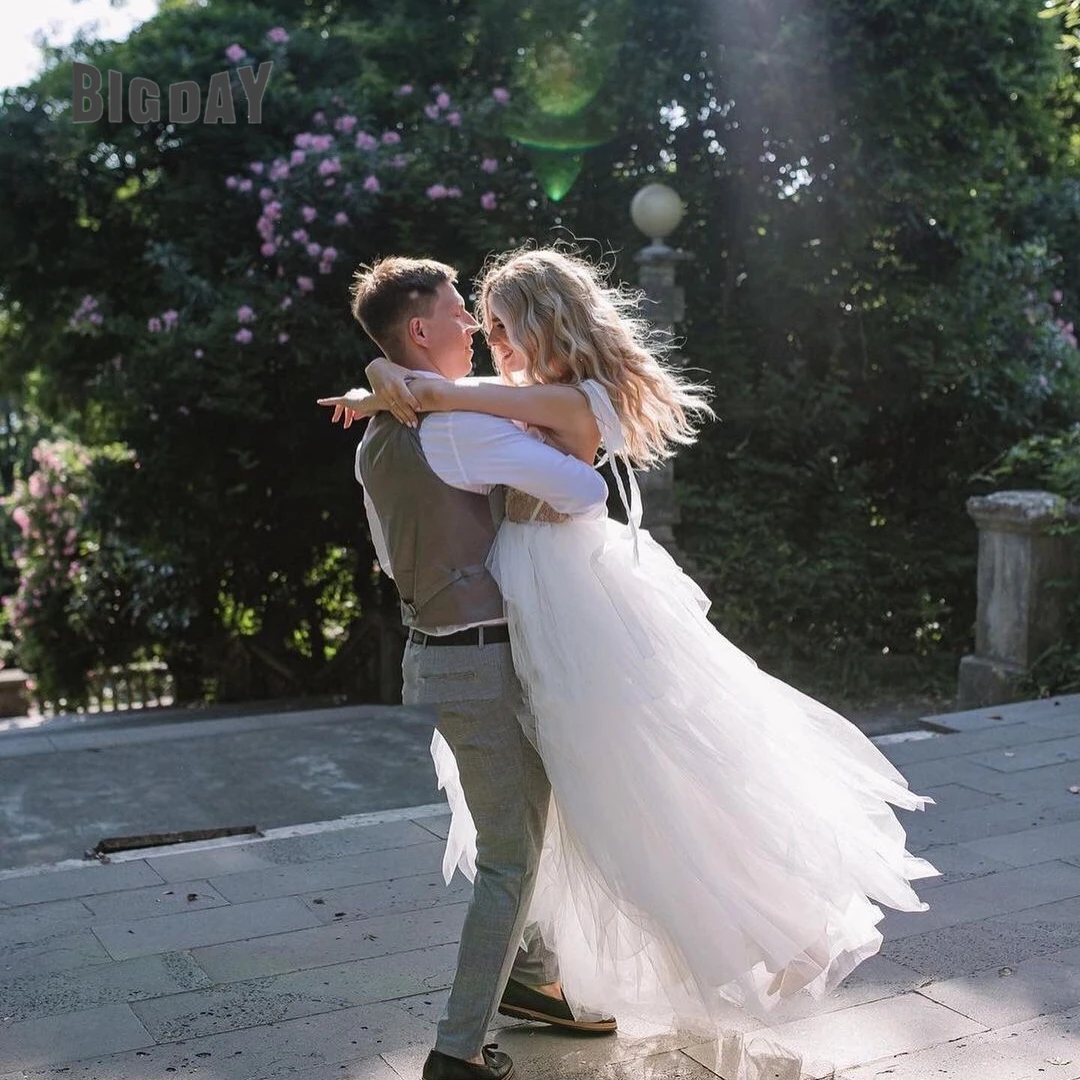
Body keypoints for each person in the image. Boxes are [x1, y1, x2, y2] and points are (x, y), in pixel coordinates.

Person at [323, 247, 938, 1037]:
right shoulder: (502, 407)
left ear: (543, 326)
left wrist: (399, 384)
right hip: (543, 595)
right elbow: (462, 405)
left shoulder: (532, 404)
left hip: (560, 595)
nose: (483, 331)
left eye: (502, 324)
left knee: (622, 785)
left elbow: (566, 481)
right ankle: (530, 982)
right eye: (476, 318)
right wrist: (386, 382)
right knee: (576, 795)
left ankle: (736, 928)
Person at [340, 256, 616, 1080]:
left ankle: (531, 984)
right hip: (480, 660)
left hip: (447, 654)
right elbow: (582, 490)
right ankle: (456, 1053)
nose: (473, 327)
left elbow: (393, 562)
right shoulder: (459, 429)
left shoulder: (380, 443)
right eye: (461, 313)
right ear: (420, 330)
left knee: (530, 826)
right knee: (511, 854)